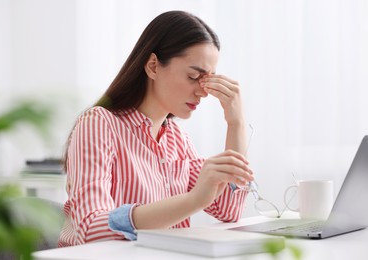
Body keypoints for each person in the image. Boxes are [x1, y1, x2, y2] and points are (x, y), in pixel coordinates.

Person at [58, 10, 254, 247]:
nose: (203, 92)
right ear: (153, 66)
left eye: (207, 81)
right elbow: (91, 229)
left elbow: (228, 210)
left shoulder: (177, 139)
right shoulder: (98, 123)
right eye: (193, 77)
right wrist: (193, 200)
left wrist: (236, 124)